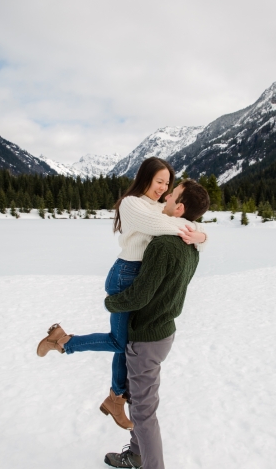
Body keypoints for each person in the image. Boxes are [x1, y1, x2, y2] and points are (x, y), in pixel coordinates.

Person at [35, 157, 206, 430]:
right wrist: (198, 234)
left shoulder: (159, 206)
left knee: (126, 342)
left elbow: (181, 217)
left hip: (142, 277)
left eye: (168, 184)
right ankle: (63, 342)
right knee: (120, 342)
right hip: (125, 275)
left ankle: (116, 396)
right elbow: (162, 226)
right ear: (145, 178)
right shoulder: (132, 203)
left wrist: (200, 233)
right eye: (159, 181)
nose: (163, 188)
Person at [101, 179, 210, 469]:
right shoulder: (190, 242)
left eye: (172, 194)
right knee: (139, 400)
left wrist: (112, 302)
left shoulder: (164, 244)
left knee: (144, 412)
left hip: (148, 335)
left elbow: (141, 294)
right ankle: (136, 452)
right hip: (161, 332)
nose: (164, 195)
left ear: (179, 208)